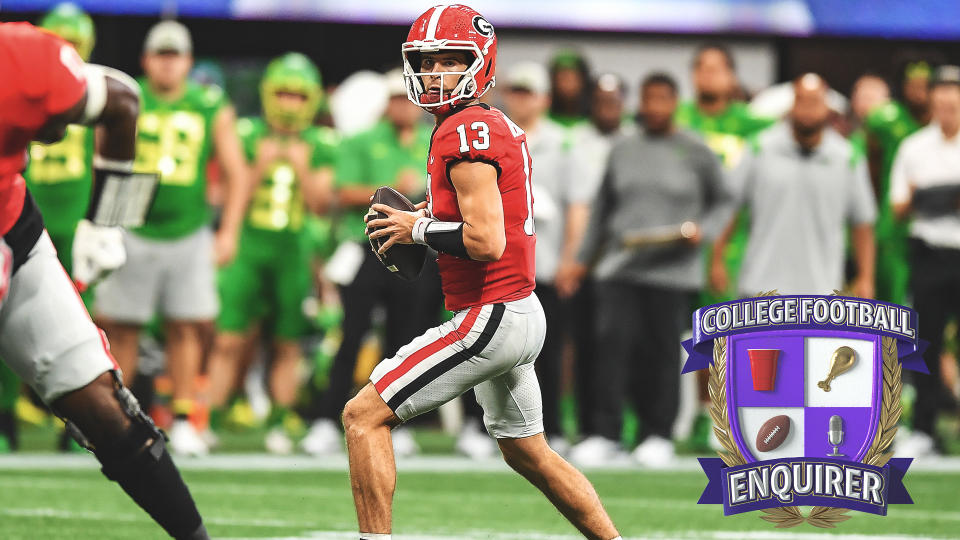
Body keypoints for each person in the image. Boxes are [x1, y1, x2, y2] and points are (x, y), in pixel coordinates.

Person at [346, 6, 623, 540]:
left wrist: (417, 230)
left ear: (480, 63)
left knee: (363, 416)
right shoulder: (487, 124)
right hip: (518, 311)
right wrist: (425, 218)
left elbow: (485, 240)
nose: (435, 74)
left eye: (451, 61)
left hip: (490, 316)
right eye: (427, 62)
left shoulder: (463, 130)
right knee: (528, 451)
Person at [0, 21, 208, 539]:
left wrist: (105, 221)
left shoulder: (19, 62)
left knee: (103, 404)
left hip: (10, 233)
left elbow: (121, 102)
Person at [95, 20, 249, 456]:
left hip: (189, 228)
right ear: (147, 60)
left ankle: (184, 419)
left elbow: (236, 172)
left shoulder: (209, 104)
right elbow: (100, 160)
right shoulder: (127, 94)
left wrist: (229, 230)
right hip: (132, 225)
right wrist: (103, 225)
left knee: (187, 327)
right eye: (160, 55)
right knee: (121, 326)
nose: (167, 63)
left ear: (187, 61)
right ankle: (117, 417)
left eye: (175, 55)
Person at [565, 73, 728, 468]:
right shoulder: (623, 149)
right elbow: (602, 209)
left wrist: (705, 233)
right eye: (648, 99)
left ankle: (657, 434)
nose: (654, 107)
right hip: (619, 267)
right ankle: (605, 433)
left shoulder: (696, 150)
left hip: (671, 271)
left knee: (660, 354)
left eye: (662, 99)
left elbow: (724, 201)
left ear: (675, 102)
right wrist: (580, 260)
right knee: (611, 349)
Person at [299, 68, 437, 458]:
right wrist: (394, 189)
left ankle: (396, 421)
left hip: (413, 249)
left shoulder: (431, 140)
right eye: (395, 99)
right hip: (368, 248)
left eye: (406, 99)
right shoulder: (363, 140)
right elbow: (341, 191)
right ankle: (327, 419)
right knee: (350, 335)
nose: (402, 107)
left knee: (405, 341)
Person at [205, 53, 337, 454]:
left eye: (299, 96)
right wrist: (258, 169)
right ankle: (205, 421)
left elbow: (319, 203)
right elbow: (223, 195)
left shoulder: (320, 142)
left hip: (293, 252)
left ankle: (280, 422)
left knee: (287, 343)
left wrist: (298, 168)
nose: (290, 103)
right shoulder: (247, 134)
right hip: (248, 246)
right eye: (283, 93)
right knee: (228, 339)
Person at [0, 1, 99, 453]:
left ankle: (78, 428)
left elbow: (112, 162)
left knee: (82, 330)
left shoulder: (93, 91)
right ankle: (5, 418)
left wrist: (102, 225)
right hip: (24, 220)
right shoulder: (21, 83)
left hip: (74, 225)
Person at [710, 74, 877, 297]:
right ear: (791, 106)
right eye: (801, 101)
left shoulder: (848, 158)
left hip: (821, 292)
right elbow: (730, 207)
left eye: (815, 102)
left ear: (827, 108)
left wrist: (866, 277)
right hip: (761, 288)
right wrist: (717, 259)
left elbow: (862, 224)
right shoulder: (759, 148)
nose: (808, 110)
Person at [500, 60, 579, 454]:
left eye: (528, 92)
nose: (520, 99)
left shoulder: (563, 143)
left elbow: (576, 206)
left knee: (547, 351)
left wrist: (570, 258)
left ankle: (553, 428)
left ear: (544, 98)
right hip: (499, 262)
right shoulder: (495, 136)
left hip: (544, 262)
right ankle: (481, 427)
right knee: (491, 350)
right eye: (515, 90)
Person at [558, 73, 634, 440]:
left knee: (626, 349)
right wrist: (573, 260)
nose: (608, 109)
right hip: (591, 261)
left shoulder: (636, 142)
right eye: (602, 101)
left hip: (629, 264)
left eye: (614, 101)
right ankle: (593, 429)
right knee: (587, 345)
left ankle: (625, 429)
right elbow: (577, 207)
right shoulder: (576, 143)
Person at [889, 65, 960, 458]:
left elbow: (920, 198)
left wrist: (931, 196)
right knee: (926, 341)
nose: (948, 107)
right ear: (932, 102)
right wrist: (942, 197)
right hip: (930, 253)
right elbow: (899, 205)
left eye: (955, 100)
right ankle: (926, 428)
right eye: (942, 100)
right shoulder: (913, 147)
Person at [863, 55, 941, 305]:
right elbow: (871, 168)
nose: (918, 92)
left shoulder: (947, 123)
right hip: (894, 224)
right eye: (912, 84)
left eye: (924, 85)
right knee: (893, 305)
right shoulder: (885, 121)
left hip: (938, 226)